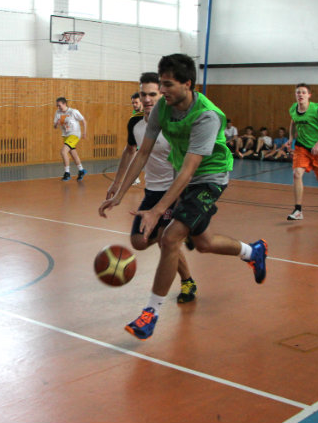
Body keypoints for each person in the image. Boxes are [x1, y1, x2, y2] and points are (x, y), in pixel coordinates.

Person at [99, 54, 267, 341]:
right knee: (203, 243)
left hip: (210, 177)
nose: (161, 91)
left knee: (170, 238)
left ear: (187, 84)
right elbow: (142, 152)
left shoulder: (206, 116)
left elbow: (190, 172)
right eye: (160, 84)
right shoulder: (163, 108)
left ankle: (150, 314)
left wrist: (157, 210)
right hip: (183, 175)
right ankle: (253, 252)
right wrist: (120, 193)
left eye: (167, 85)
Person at [106, 72, 198, 304]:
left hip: (174, 190)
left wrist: (180, 198)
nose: (146, 99)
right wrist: (117, 186)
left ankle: (187, 281)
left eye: (152, 94)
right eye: (143, 94)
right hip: (152, 190)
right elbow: (131, 152)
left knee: (165, 237)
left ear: (162, 94)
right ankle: (184, 234)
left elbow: (187, 163)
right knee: (139, 241)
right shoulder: (135, 124)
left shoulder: (174, 124)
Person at [287, 83, 318, 220]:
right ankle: (298, 210)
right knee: (297, 174)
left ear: (309, 95)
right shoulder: (293, 108)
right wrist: (291, 137)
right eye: (298, 92)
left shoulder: (317, 109)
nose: (300, 95)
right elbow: (293, 122)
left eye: (303, 92)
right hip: (302, 146)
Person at [54, 97, 87, 181]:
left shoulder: (73, 111)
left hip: (74, 134)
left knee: (63, 151)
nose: (58, 107)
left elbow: (83, 121)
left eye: (59, 105)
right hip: (66, 135)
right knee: (73, 154)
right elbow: (55, 126)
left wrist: (84, 132)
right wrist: (57, 124)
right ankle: (81, 170)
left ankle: (67, 173)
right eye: (57, 106)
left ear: (64, 104)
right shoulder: (58, 112)